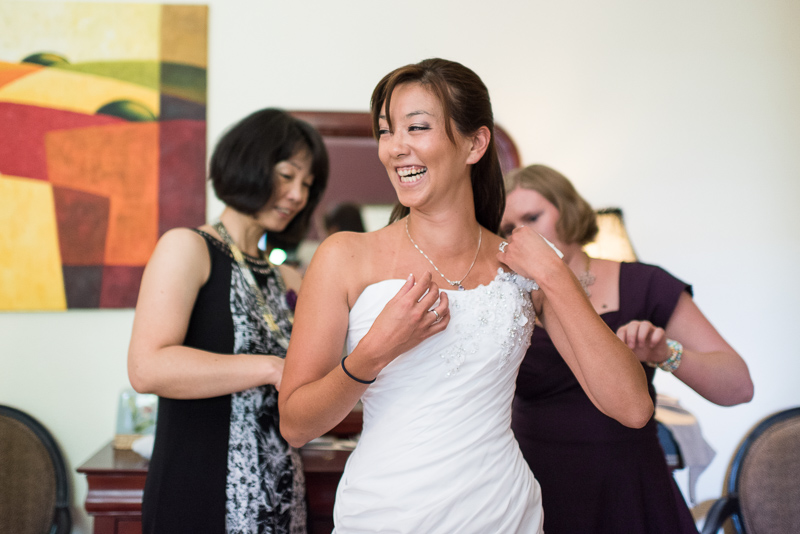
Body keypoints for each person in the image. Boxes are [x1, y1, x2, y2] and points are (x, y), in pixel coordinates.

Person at [277, 58, 653, 534]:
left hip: (502, 513)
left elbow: (632, 408)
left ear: (475, 144)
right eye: (386, 131)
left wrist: (555, 275)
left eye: (416, 127)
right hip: (385, 514)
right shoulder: (344, 257)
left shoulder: (520, 266)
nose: (395, 148)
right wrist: (375, 352)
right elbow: (296, 425)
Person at [502, 164, 754, 534]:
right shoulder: (505, 301)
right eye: (507, 229)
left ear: (568, 212)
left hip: (630, 484)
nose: (522, 235)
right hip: (539, 487)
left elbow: (738, 387)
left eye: (531, 217)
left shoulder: (644, 284)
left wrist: (664, 353)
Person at [127, 108, 329, 533]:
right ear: (247, 164)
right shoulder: (187, 247)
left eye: (307, 185)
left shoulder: (288, 277)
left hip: (280, 495)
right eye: (287, 175)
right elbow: (147, 368)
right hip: (198, 491)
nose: (297, 195)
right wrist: (270, 368)